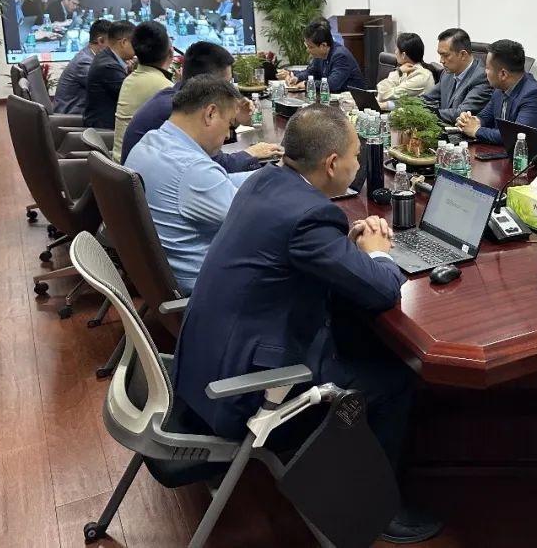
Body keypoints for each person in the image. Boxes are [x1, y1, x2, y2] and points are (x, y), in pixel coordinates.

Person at [172, 103, 443, 544]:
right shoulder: (310, 216)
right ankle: (378, 509)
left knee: (360, 335)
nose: (358, 165)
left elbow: (292, 255)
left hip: (205, 365)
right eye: (355, 156)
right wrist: (378, 254)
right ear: (332, 164)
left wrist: (343, 249)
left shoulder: (265, 181)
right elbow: (382, 290)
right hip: (243, 391)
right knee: (395, 379)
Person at [124, 76, 255, 294]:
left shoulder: (151, 141)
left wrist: (272, 176)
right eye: (230, 124)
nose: (227, 135)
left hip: (163, 279)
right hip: (209, 288)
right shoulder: (192, 169)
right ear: (210, 114)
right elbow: (254, 220)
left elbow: (221, 182)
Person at [121, 41, 282, 170]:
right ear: (208, 82)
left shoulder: (177, 96)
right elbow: (213, 165)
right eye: (227, 83)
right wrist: (250, 153)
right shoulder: (176, 110)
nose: (230, 90)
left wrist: (234, 119)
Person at [456, 38, 537, 145]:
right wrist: (471, 121)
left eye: (488, 68)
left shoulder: (533, 95)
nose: (485, 72)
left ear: (503, 74)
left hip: (536, 154)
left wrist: (476, 131)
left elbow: (516, 136)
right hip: (504, 151)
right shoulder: (500, 88)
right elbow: (486, 116)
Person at [111, 21, 175, 161]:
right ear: (170, 52)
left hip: (121, 164)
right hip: (136, 167)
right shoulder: (165, 88)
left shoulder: (129, 79)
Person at [419, 27, 492, 123]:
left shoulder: (482, 78)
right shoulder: (447, 73)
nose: (441, 61)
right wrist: (408, 106)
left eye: (445, 55)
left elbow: (460, 113)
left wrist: (423, 115)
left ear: (463, 55)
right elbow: (427, 98)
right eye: (440, 55)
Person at [278, 18, 366, 93]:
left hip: (351, 103)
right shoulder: (320, 55)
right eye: (306, 46)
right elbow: (311, 72)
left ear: (323, 45)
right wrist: (297, 77)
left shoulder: (340, 56)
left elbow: (332, 85)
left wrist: (306, 84)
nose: (307, 50)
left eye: (310, 47)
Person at [84, 20, 135, 129]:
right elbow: (131, 96)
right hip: (105, 129)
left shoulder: (105, 55)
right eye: (135, 43)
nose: (137, 48)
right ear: (124, 42)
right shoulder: (108, 66)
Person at [53, 19, 111, 114]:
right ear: (100, 41)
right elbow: (107, 88)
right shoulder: (84, 61)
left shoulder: (92, 55)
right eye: (112, 42)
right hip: (71, 116)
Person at [376, 32, 436, 107]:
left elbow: (384, 94)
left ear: (403, 55)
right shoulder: (407, 69)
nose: (395, 52)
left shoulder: (421, 76)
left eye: (396, 49)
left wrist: (398, 72)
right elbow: (383, 94)